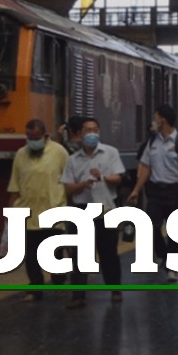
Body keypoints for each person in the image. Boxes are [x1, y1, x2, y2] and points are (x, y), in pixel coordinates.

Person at [60, 116, 126, 308]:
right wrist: (84, 183)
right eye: (88, 130)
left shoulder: (110, 153)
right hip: (81, 210)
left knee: (108, 252)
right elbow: (69, 188)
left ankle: (115, 289)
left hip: (104, 210)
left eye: (95, 130)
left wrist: (103, 177)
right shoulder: (72, 160)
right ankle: (78, 295)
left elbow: (118, 178)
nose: (92, 134)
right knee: (80, 253)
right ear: (80, 134)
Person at [126, 104, 178, 282]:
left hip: (175, 190)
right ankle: (165, 255)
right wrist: (136, 190)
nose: (153, 122)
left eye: (156, 118)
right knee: (149, 226)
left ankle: (173, 267)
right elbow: (146, 168)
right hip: (155, 191)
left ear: (163, 120)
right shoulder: (152, 142)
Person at [7, 119, 69, 301]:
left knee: (54, 252)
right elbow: (15, 185)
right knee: (31, 254)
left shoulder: (59, 153)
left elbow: (69, 179)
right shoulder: (20, 154)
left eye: (35, 137)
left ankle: (59, 281)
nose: (32, 141)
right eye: (29, 137)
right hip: (28, 212)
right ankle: (35, 288)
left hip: (54, 210)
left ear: (44, 135)